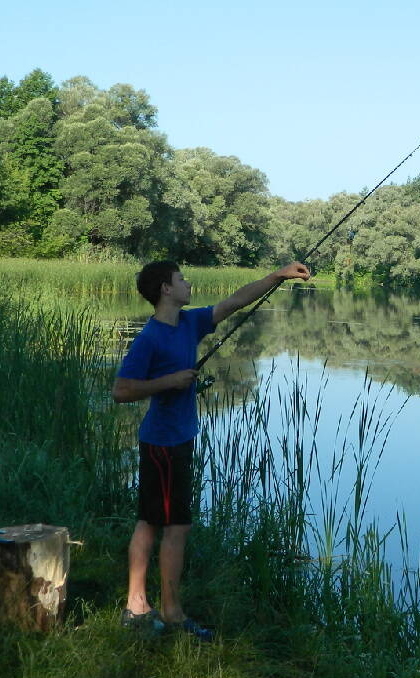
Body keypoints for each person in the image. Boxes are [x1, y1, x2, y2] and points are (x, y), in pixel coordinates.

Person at [112, 258, 311, 637]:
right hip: (163, 444)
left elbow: (235, 301)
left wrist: (277, 276)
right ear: (166, 289)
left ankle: (137, 606)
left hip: (177, 439)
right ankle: (168, 612)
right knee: (174, 526)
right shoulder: (150, 337)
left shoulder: (190, 323)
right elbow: (121, 391)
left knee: (151, 521)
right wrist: (169, 381)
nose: (188, 284)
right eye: (181, 279)